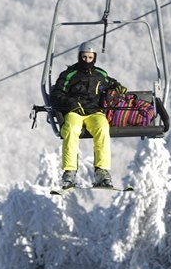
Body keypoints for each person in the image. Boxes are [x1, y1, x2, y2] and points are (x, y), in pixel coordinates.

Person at [50, 42, 126, 189]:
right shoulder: (69, 74)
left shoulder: (100, 74)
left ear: (94, 58)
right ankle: (70, 172)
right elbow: (56, 94)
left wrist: (117, 89)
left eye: (90, 57)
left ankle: (101, 172)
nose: (87, 61)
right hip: (75, 112)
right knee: (71, 130)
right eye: (84, 57)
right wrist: (71, 103)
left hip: (94, 112)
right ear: (79, 57)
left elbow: (113, 84)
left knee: (103, 128)